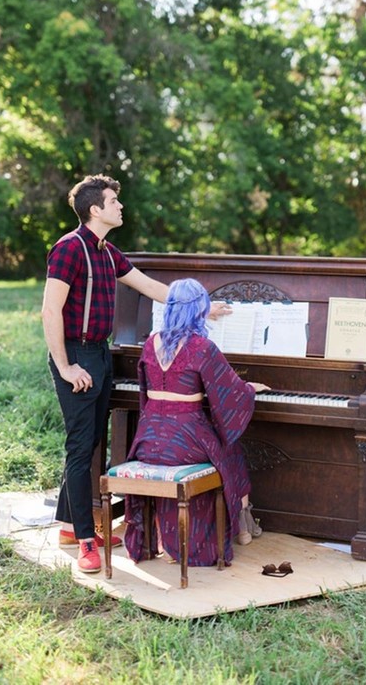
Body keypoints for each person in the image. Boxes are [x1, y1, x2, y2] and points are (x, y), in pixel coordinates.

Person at [41, 174, 230, 574]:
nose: (120, 206)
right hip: (76, 355)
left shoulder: (108, 252)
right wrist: (65, 365)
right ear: (95, 209)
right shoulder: (68, 249)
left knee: (90, 443)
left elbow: (147, 285)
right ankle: (87, 542)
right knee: (80, 447)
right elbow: (49, 310)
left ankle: (68, 528)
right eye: (114, 201)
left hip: (101, 355)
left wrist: (201, 308)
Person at [124, 277, 268, 568]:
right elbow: (231, 392)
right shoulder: (202, 347)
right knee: (230, 451)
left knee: (221, 448)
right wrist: (251, 388)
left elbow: (144, 396)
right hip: (184, 442)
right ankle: (239, 528)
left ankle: (164, 537)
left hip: (148, 440)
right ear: (199, 310)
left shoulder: (150, 343)